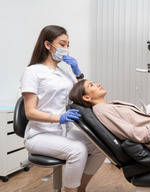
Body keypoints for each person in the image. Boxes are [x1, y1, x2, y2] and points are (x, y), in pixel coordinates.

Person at [21, 25, 105, 192]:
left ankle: (81, 189)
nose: (66, 49)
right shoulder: (33, 72)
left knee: (100, 145)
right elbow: (30, 112)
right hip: (39, 135)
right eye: (62, 44)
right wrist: (58, 118)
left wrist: (78, 73)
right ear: (47, 45)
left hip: (62, 132)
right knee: (78, 150)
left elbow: (86, 94)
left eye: (68, 45)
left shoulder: (64, 73)